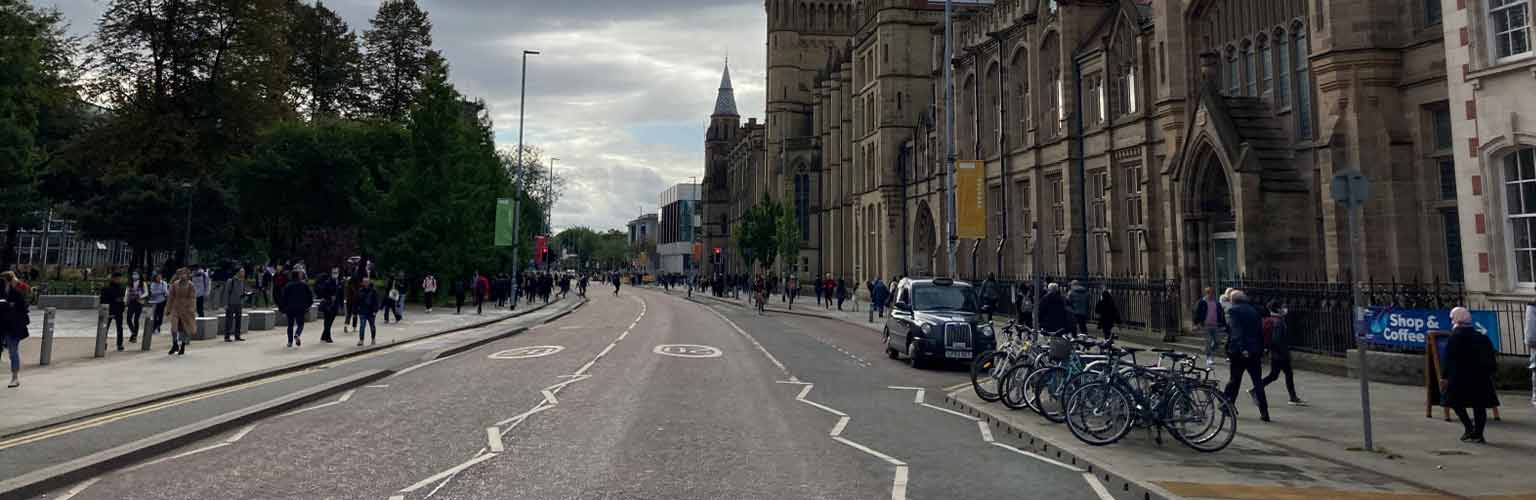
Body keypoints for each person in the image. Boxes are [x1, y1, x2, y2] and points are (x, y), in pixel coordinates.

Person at [1442, 307, 1500, 443]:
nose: (1451, 322)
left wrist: (1444, 376)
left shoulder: (1454, 338)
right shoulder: (1482, 337)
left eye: (1452, 319)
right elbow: (1491, 358)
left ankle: (1469, 428)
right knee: (1479, 405)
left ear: (1456, 320)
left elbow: (1448, 359)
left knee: (1454, 402)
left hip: (1459, 378)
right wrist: (1489, 372)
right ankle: (1478, 433)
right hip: (1480, 377)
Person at [1222, 290, 1270, 422]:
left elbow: (1237, 331)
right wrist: (1261, 348)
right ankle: (1264, 412)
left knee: (1234, 380)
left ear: (1234, 300)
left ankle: (1226, 405)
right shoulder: (1253, 310)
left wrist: (1242, 348)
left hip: (1240, 352)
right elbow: (1260, 331)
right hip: (1254, 351)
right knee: (1257, 382)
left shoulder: (1234, 311)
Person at [1257, 301, 1305, 405]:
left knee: (1274, 375)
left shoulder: (1272, 320)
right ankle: (1293, 397)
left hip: (1276, 353)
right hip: (1281, 353)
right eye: (1282, 307)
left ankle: (1257, 387)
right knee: (1287, 374)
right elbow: (1277, 339)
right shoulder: (1279, 322)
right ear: (1278, 309)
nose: (1284, 309)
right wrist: (1283, 351)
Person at [2, 271, 31, 387]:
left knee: (13, 352)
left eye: (4, 281)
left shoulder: (17, 293)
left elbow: (23, 309)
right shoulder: (3, 292)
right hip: (4, 326)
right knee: (11, 352)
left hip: (13, 327)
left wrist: (10, 306)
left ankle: (15, 377)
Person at [1192, 287, 1226, 368]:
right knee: (1208, 341)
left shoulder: (1216, 303)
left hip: (1215, 325)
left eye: (1212, 293)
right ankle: (1209, 357)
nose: (1211, 295)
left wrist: (1223, 324)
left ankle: (1209, 351)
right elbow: (1197, 313)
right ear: (1207, 293)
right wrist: (1196, 323)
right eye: (1209, 293)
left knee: (1217, 342)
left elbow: (1221, 313)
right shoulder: (1202, 302)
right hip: (1205, 325)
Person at [166, 268, 197, 356]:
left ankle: (182, 345)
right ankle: (175, 343)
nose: (182, 276)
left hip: (186, 309)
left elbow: (193, 298)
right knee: (174, 327)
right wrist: (168, 309)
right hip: (176, 308)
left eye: (184, 274)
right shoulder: (175, 284)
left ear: (187, 275)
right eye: (180, 274)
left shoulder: (191, 285)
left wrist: (192, 308)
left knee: (184, 329)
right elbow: (171, 297)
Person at [281, 271, 313, 348]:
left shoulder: (288, 286)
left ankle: (290, 342)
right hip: (301, 308)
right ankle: (297, 334)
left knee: (290, 325)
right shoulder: (304, 285)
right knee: (300, 324)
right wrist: (308, 305)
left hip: (290, 308)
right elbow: (310, 296)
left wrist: (283, 309)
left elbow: (283, 298)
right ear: (299, 276)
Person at [100, 273, 127, 351]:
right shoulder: (106, 288)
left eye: (119, 278)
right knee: (105, 327)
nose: (119, 280)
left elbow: (121, 300)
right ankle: (102, 342)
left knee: (119, 328)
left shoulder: (122, 288)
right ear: (112, 279)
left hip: (118, 311)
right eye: (117, 278)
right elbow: (103, 300)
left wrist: (121, 307)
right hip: (109, 310)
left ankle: (119, 344)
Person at [317, 269, 341, 343]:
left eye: (336, 272)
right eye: (334, 273)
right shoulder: (327, 282)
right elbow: (323, 292)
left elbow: (340, 293)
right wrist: (330, 296)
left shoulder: (339, 282)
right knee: (327, 321)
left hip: (335, 304)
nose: (335, 274)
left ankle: (324, 335)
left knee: (330, 321)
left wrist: (341, 305)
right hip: (328, 304)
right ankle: (328, 337)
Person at [222, 269, 247, 342]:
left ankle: (237, 336)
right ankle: (227, 336)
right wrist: (226, 304)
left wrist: (245, 294)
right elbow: (226, 293)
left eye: (244, 272)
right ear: (238, 272)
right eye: (242, 272)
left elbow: (242, 291)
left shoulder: (242, 281)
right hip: (231, 303)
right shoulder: (231, 281)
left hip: (239, 303)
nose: (243, 273)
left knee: (238, 320)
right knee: (229, 320)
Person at [356, 277, 380, 346]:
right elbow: (357, 301)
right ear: (362, 283)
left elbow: (376, 302)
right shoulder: (360, 290)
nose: (365, 283)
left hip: (371, 312)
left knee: (372, 326)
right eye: (364, 282)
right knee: (362, 326)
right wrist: (357, 309)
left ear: (369, 282)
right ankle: (361, 340)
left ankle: (373, 339)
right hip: (362, 311)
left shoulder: (373, 291)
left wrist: (375, 311)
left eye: (367, 282)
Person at [126, 272, 147, 344]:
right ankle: (134, 333)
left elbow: (146, 293)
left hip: (139, 302)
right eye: (133, 274)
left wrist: (140, 296)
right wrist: (125, 300)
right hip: (131, 302)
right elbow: (127, 292)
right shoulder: (130, 283)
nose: (134, 275)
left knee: (136, 319)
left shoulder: (143, 283)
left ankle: (134, 336)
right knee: (128, 318)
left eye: (136, 274)